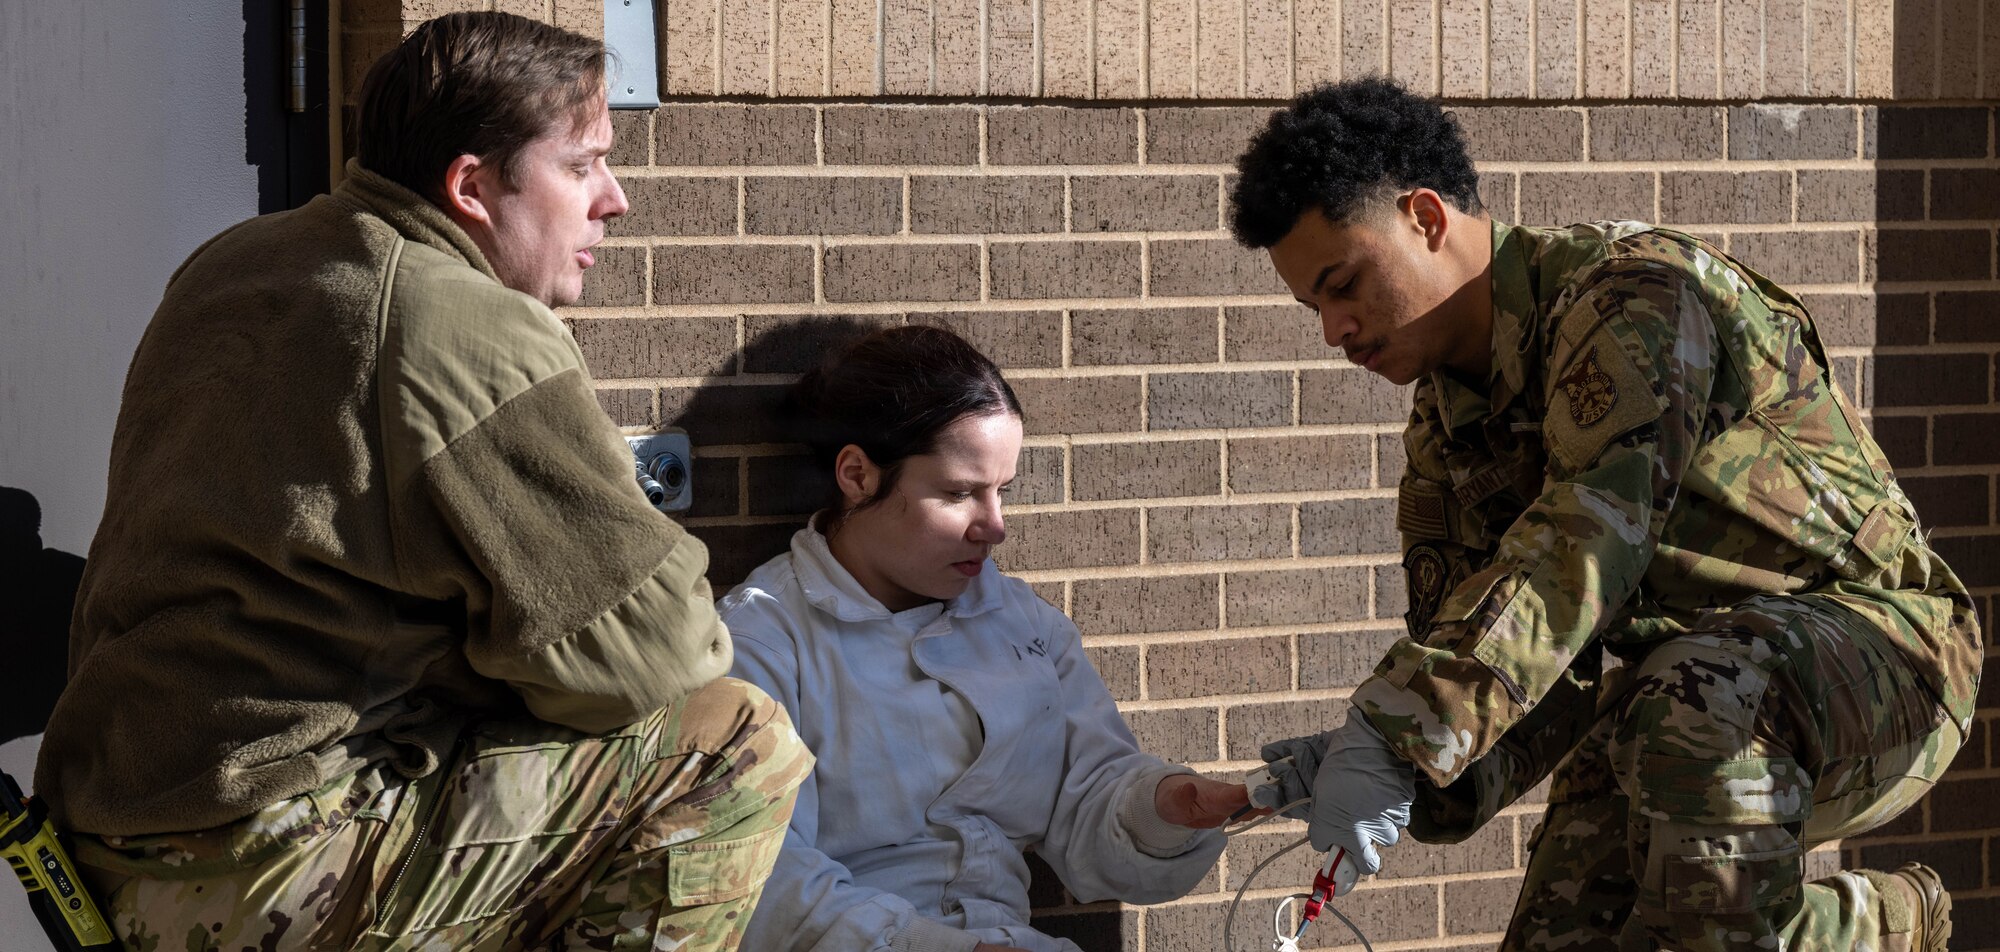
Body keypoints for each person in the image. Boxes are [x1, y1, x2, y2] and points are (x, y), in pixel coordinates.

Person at [32, 12, 810, 950]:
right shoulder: (463, 325)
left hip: (104, 836)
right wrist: (493, 657)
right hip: (268, 863)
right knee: (732, 742)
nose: (616, 198)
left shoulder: (234, 263)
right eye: (581, 164)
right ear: (472, 187)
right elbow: (656, 659)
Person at [1230, 78, 1976, 951]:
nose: (1333, 328)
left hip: (1885, 658)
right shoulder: (1445, 437)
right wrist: (1396, 770)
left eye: (1343, 283)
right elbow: (1517, 671)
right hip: (1676, 704)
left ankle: (1891, 925)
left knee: (1698, 796)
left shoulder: (1629, 297)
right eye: (1311, 305)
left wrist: (1404, 726)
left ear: (1425, 217)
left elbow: (1584, 547)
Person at [720, 325, 1248, 952]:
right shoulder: (762, 639)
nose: (993, 527)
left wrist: (1168, 807)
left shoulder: (1021, 622)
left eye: (1002, 492)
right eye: (959, 493)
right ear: (858, 474)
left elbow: (1090, 796)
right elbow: (760, 878)